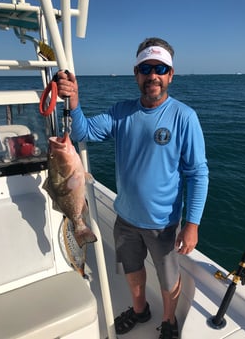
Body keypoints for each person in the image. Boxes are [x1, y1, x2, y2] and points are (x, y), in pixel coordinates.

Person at [57, 37, 209, 339]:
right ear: (136, 73)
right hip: (125, 218)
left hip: (163, 224)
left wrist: (191, 225)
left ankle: (169, 321)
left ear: (170, 74)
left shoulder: (184, 117)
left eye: (161, 68)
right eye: (146, 68)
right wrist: (74, 102)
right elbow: (82, 131)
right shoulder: (120, 112)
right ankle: (140, 311)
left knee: (168, 278)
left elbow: (198, 173)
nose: (153, 75)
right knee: (132, 271)